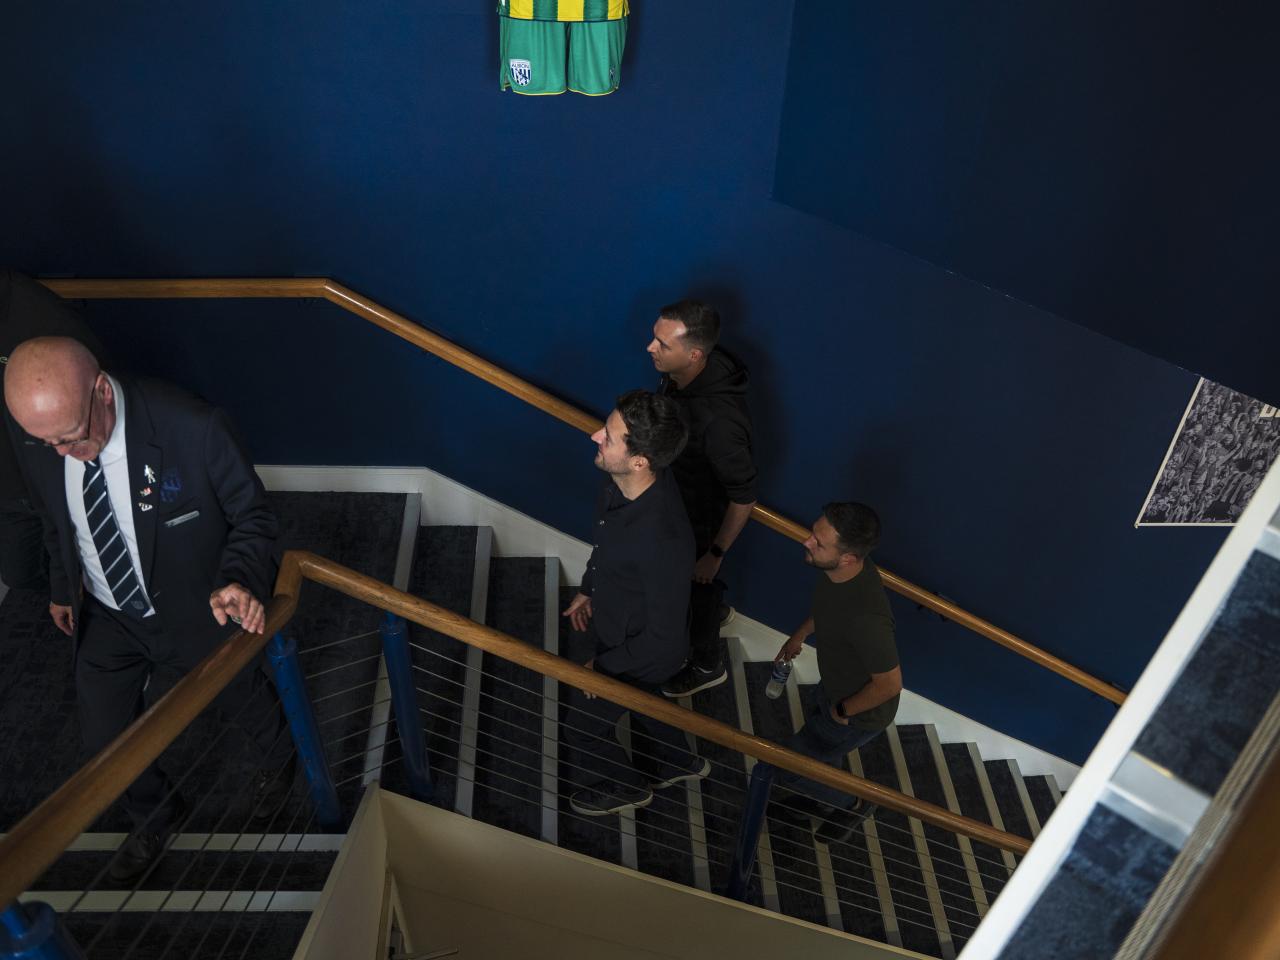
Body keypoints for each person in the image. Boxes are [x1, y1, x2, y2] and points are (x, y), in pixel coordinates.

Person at [4, 337, 287, 881]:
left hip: (199, 607)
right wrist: (65, 587)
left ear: (103, 392)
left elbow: (254, 517)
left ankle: (279, 767)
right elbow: (54, 520)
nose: (61, 452)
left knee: (245, 698)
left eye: (72, 437)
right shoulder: (44, 436)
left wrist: (238, 580)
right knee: (105, 737)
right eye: (47, 442)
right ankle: (154, 815)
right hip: (108, 614)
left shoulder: (193, 427)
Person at [561, 389, 710, 815]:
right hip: (617, 625)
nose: (594, 437)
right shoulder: (620, 483)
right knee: (645, 702)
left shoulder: (663, 539)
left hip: (641, 650)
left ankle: (628, 787)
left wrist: (602, 670)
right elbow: (605, 541)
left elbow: (663, 642)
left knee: (581, 729)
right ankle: (682, 761)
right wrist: (590, 586)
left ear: (640, 460)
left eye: (607, 436)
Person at [767, 502, 902, 845]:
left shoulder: (867, 619)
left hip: (854, 713)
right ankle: (819, 792)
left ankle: (852, 804)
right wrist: (800, 634)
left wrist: (842, 712)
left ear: (847, 558)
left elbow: (889, 684)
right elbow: (827, 608)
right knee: (819, 756)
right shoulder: (837, 574)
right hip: (833, 686)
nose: (807, 542)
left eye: (818, 542)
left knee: (791, 766)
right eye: (814, 533)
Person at [648, 299, 758, 699]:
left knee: (699, 584)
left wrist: (715, 552)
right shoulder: (682, 377)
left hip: (700, 527)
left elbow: (744, 497)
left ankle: (707, 663)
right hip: (676, 508)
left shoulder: (721, 423)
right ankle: (708, 608)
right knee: (693, 591)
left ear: (694, 354)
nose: (650, 348)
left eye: (661, 343)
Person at [0, 271, 107, 592]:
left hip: (58, 481)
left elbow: (96, 411)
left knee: (88, 575)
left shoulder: (47, 319)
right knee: (19, 576)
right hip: (8, 490)